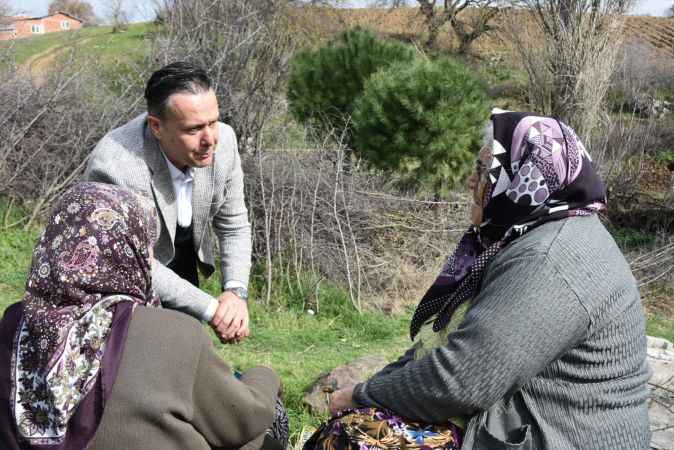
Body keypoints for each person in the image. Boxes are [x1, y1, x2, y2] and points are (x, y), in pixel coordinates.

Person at [311, 110, 651, 450]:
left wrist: (360, 396)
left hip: (564, 436)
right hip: (533, 425)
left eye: (484, 171)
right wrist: (371, 391)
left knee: (354, 439)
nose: (472, 182)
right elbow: (445, 351)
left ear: (526, 177)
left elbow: (463, 379)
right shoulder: (528, 236)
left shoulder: (548, 258)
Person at [0, 182, 287, 450]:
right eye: (147, 244)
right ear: (130, 249)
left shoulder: (13, 324)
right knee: (266, 432)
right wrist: (265, 375)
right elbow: (242, 420)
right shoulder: (174, 332)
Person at [84, 61, 251, 343]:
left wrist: (235, 293)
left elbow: (233, 224)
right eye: (193, 129)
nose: (210, 139)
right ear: (156, 127)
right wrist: (213, 310)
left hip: (181, 255)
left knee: (189, 349)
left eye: (213, 122)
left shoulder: (225, 143)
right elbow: (136, 262)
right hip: (122, 275)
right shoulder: (115, 168)